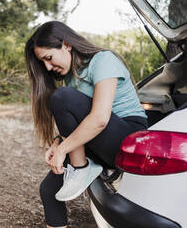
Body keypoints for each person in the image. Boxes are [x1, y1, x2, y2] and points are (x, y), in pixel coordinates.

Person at [24, 21, 148, 228]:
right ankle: (80, 167)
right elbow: (75, 123)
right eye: (43, 62)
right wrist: (57, 143)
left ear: (66, 44)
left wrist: (64, 149)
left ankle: (81, 168)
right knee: (49, 190)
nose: (47, 67)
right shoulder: (71, 78)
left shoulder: (103, 60)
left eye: (48, 58)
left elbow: (99, 118)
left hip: (128, 137)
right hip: (95, 140)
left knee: (62, 97)